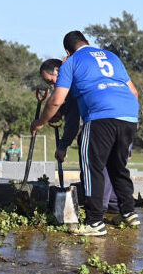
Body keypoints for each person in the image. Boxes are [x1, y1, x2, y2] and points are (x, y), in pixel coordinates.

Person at [31, 31, 140, 236]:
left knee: (92, 169)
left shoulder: (71, 62)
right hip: (129, 115)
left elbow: (56, 99)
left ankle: (94, 222)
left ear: (67, 50)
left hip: (100, 117)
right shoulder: (112, 57)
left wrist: (40, 122)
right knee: (119, 167)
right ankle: (129, 213)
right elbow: (134, 92)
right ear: (87, 42)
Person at [38, 58, 119, 213]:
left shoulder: (72, 84)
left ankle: (97, 212)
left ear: (57, 70)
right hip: (121, 122)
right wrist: (61, 111)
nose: (53, 85)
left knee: (94, 167)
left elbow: (73, 121)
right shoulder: (87, 75)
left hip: (100, 124)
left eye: (51, 81)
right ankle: (114, 207)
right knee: (113, 167)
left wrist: (62, 146)